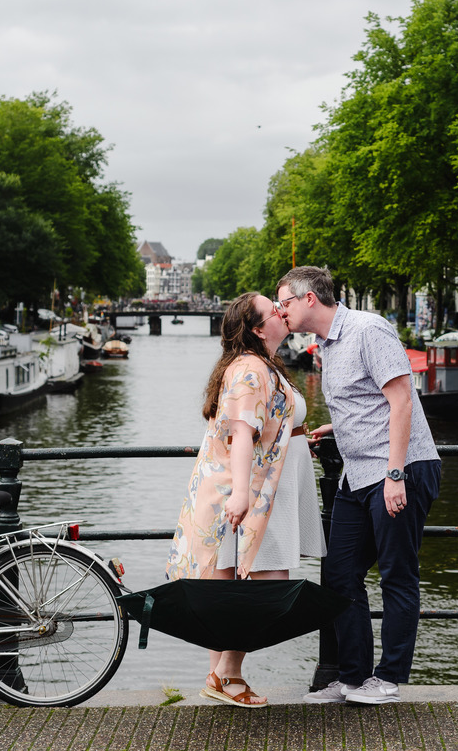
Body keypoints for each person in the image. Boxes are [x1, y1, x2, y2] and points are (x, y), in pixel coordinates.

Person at [276, 266, 441, 705]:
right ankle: (352, 678)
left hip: (398, 470)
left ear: (309, 299)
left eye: (285, 302)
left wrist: (395, 474)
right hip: (357, 473)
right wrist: (340, 425)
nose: (280, 310)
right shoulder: (328, 344)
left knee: (397, 575)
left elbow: (402, 400)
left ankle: (387, 680)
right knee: (339, 573)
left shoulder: (369, 330)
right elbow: (368, 399)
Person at [164, 292, 324, 708]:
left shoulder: (264, 365)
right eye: (273, 309)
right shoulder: (252, 369)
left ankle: (222, 678)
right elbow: (240, 435)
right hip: (252, 493)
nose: (281, 311)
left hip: (265, 490)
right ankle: (226, 674)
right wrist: (240, 494)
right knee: (267, 587)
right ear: (257, 328)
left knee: (232, 591)